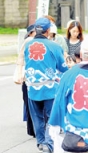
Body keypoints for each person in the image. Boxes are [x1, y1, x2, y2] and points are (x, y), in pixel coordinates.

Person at [24, 17, 68, 152]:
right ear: (48, 30)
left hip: (32, 87)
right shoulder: (55, 46)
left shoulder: (28, 45)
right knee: (51, 116)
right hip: (50, 87)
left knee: (36, 116)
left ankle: (41, 142)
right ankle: (49, 143)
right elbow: (63, 67)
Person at [14, 24, 36, 138]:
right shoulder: (29, 41)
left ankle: (32, 129)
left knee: (29, 103)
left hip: (30, 77)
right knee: (30, 103)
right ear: (31, 33)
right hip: (29, 77)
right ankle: (33, 129)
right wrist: (19, 73)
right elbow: (21, 58)